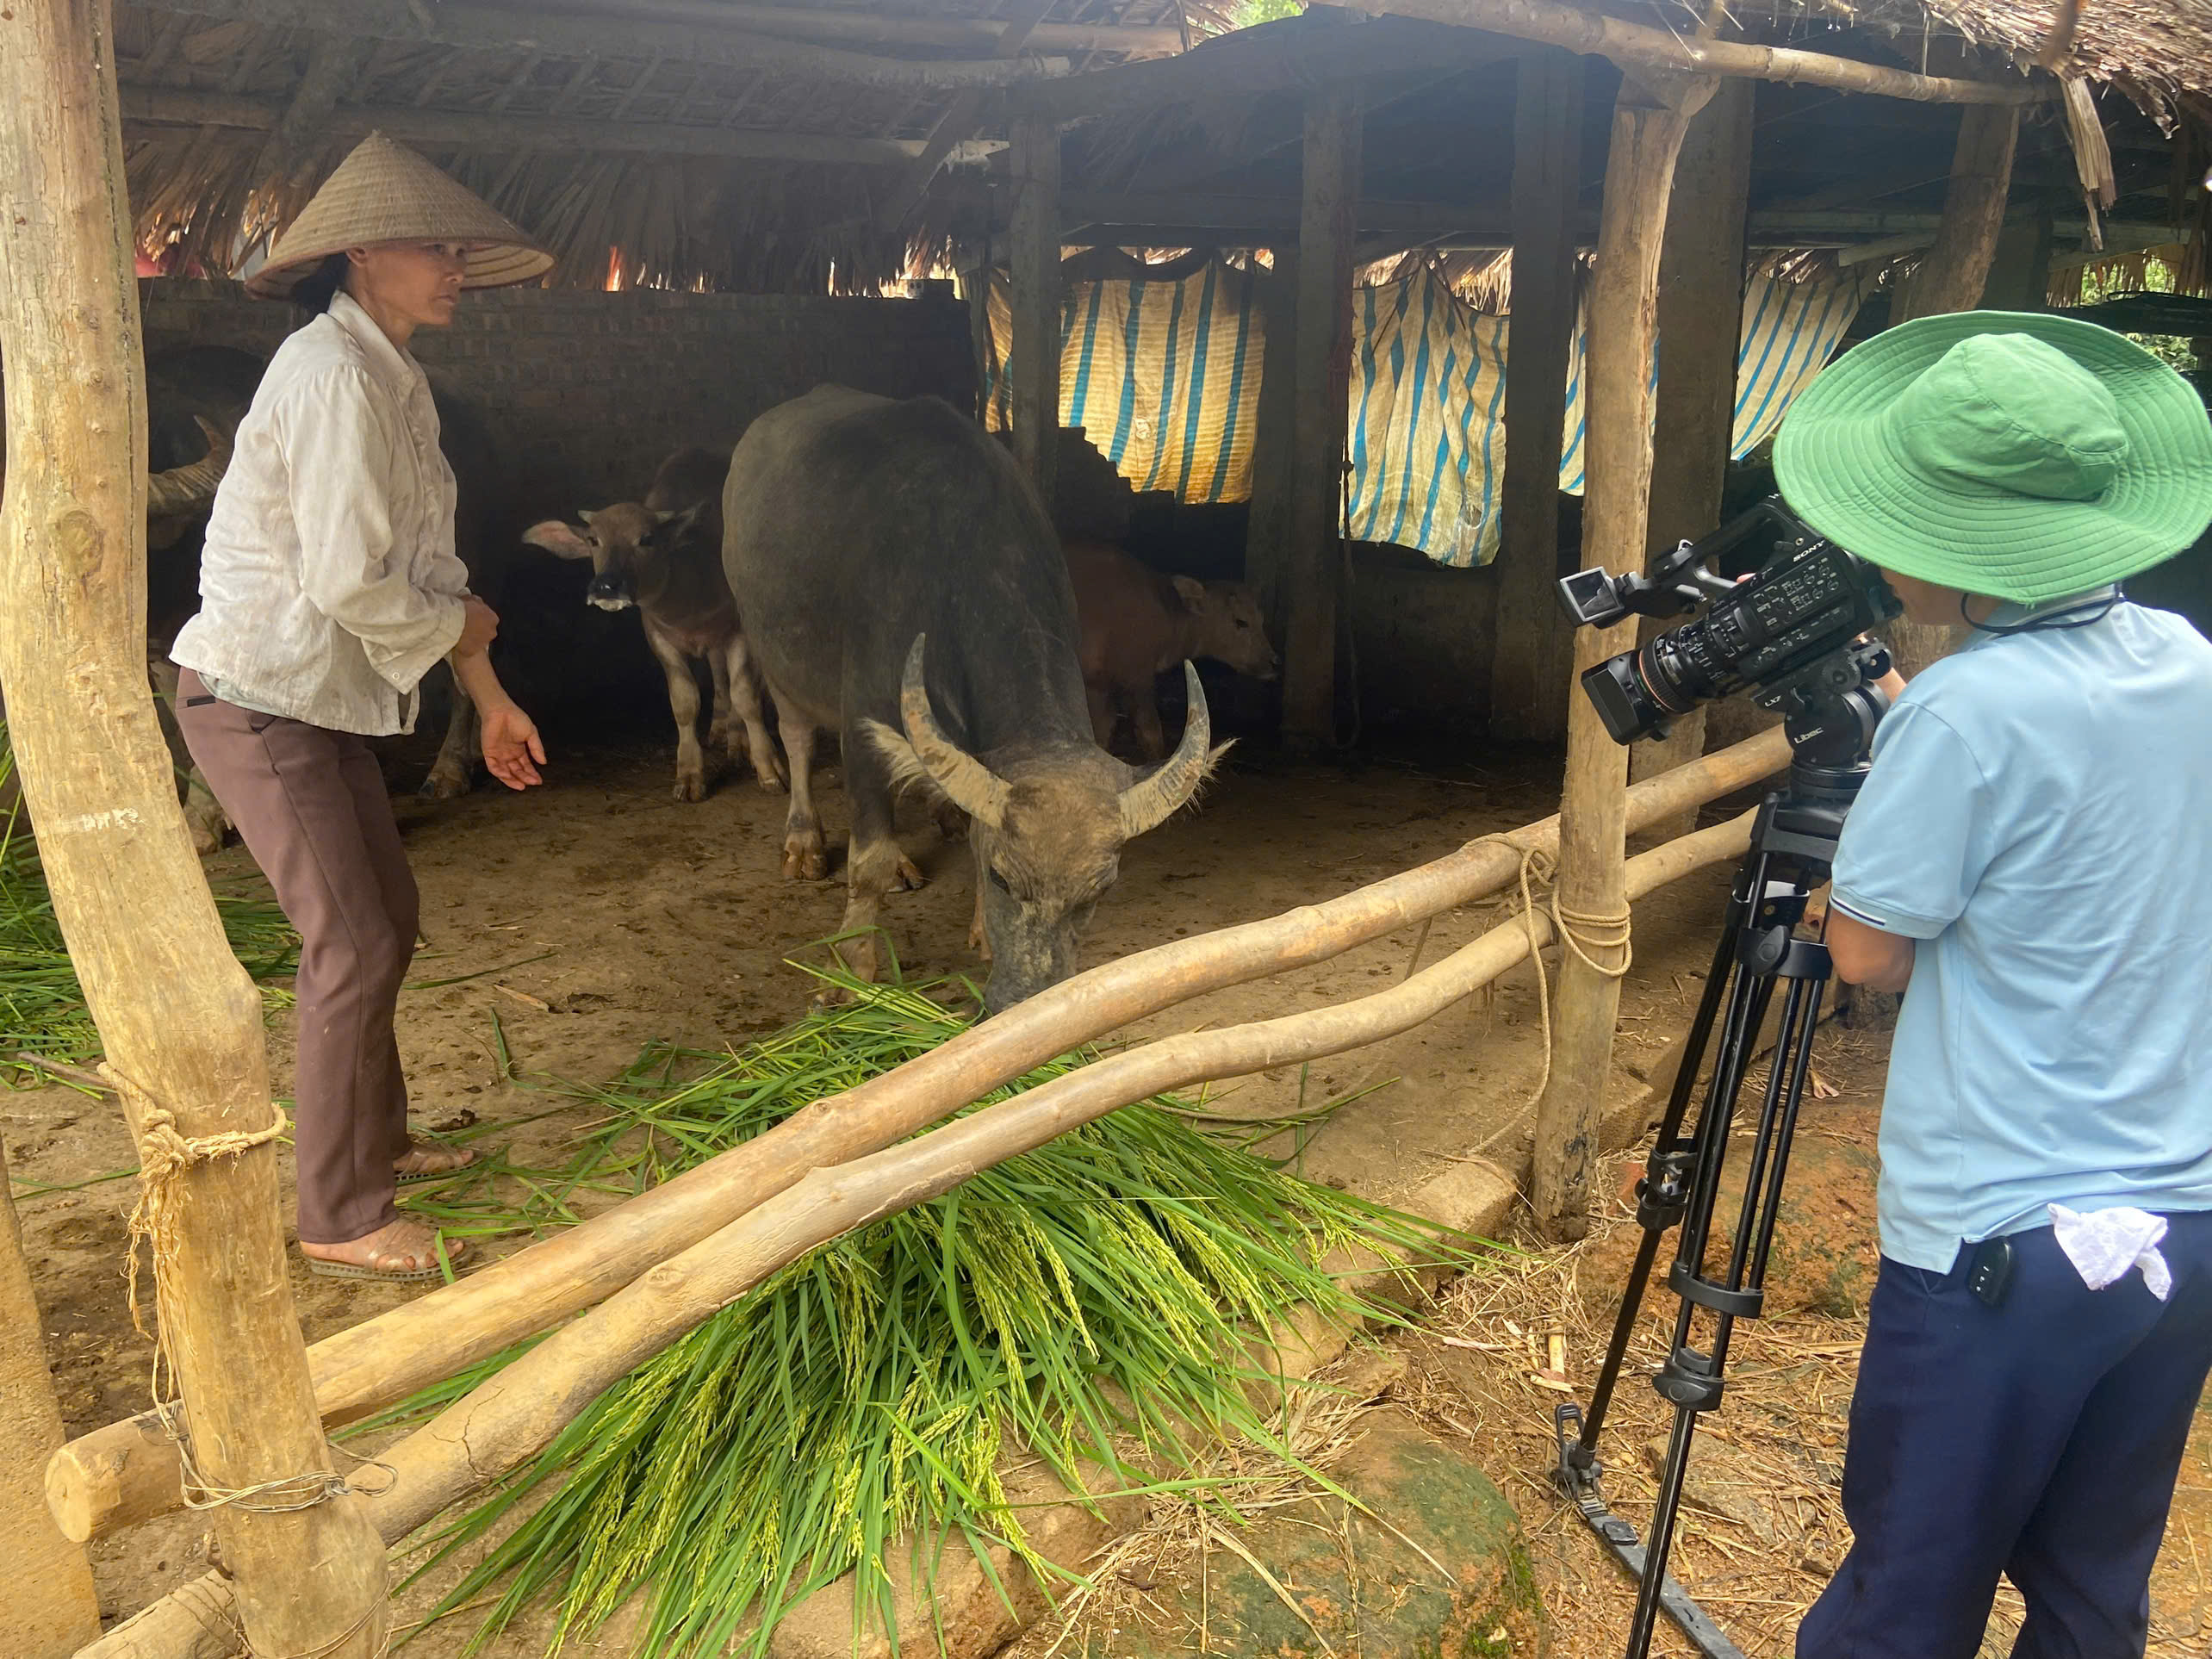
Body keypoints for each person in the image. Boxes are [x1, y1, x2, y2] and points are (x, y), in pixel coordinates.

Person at [1770, 311, 2212, 1658]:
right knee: (2090, 1591)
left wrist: (1839, 872)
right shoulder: (2191, 663)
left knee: (1906, 1597)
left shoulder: (1964, 713)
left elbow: (1869, 950)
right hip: (2177, 1221)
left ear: (1957, 542)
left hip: (1997, 1246)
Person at [170, 133, 554, 1283]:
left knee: (386, 907)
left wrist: (485, 701)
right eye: (434, 247)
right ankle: (338, 1209)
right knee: (354, 937)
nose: (453, 267)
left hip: (315, 697)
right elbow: (348, 582)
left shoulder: (391, 374)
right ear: (360, 254)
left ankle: (375, 1139)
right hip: (258, 693)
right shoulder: (332, 375)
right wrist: (458, 643)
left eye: (457, 250)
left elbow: (436, 578)